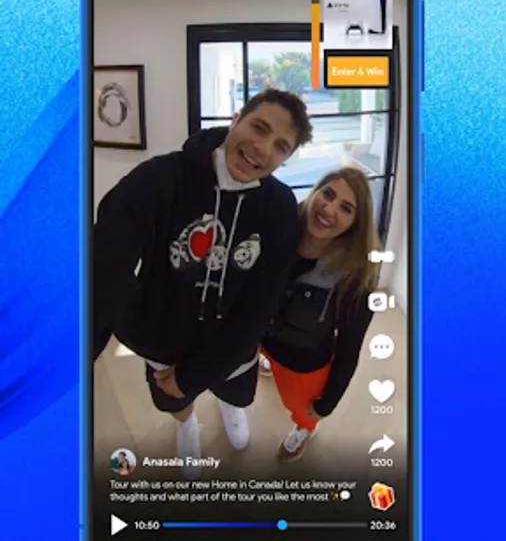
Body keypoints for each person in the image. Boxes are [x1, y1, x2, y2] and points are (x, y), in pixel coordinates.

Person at [94, 89, 312, 477]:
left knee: (236, 392)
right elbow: (104, 267)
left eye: (280, 146)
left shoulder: (279, 207)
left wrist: (195, 375)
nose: (263, 149)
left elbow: (261, 304)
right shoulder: (159, 180)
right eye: (259, 128)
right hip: (164, 339)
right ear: (235, 119)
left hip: (232, 347)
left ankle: (228, 406)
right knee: (173, 399)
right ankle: (187, 424)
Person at [260, 168, 380, 462]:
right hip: (262, 339)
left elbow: (349, 349)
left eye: (346, 208)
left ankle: (304, 429)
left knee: (301, 409)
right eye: (328, 194)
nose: (329, 209)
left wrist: (326, 404)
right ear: (315, 191)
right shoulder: (281, 230)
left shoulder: (355, 276)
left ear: (356, 223)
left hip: (303, 364)